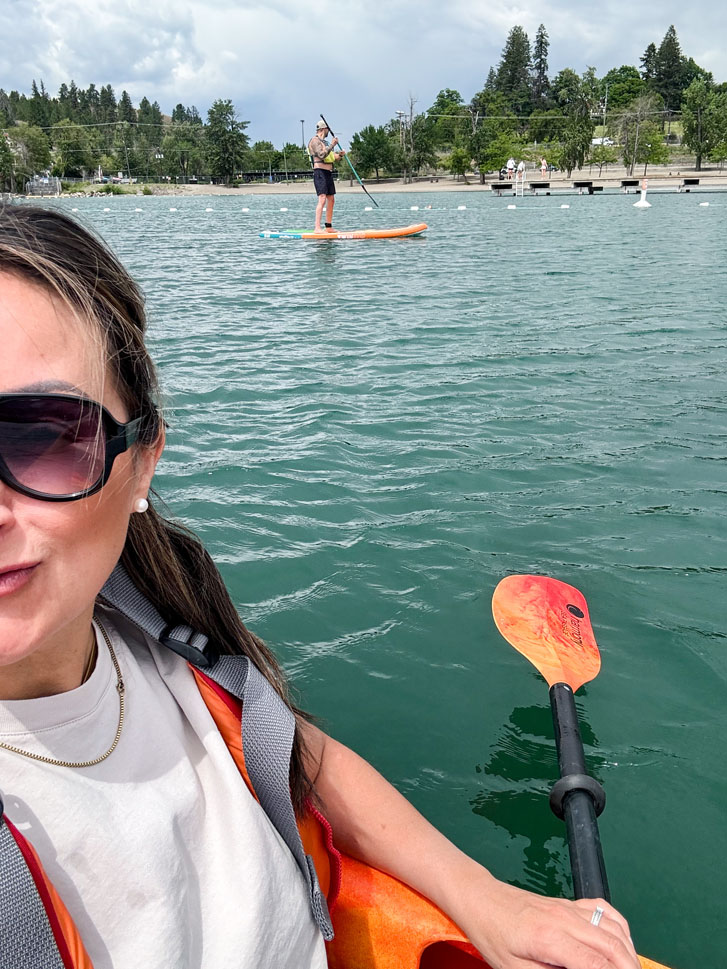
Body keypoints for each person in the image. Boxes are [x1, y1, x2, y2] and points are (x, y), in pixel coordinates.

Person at [0, 204, 641, 969]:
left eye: (41, 434)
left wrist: (483, 896)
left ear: (141, 459)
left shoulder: (165, 638)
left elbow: (305, 755)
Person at [307, 119, 345, 233]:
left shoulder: (325, 143)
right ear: (324, 129)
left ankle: (328, 227)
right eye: (328, 129)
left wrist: (340, 155)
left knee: (331, 199)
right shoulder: (315, 141)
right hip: (320, 173)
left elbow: (332, 157)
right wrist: (333, 144)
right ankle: (317, 228)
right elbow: (322, 154)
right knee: (322, 199)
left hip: (328, 173)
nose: (329, 131)